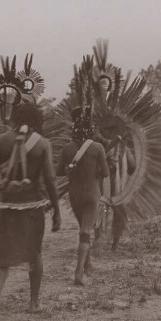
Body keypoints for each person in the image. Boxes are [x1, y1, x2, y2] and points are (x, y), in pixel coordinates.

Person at [0, 102, 61, 321]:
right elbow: (50, 179)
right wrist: (56, 210)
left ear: (15, 118)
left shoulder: (2, 141)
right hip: (33, 206)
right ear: (37, 119)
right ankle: (34, 302)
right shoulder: (43, 144)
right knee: (34, 253)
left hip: (8, 205)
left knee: (2, 256)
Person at [57, 105, 109, 286]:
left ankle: (87, 263)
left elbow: (59, 172)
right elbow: (106, 172)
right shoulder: (98, 147)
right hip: (92, 194)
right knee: (86, 232)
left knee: (82, 228)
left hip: (75, 195)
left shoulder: (67, 148)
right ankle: (78, 272)